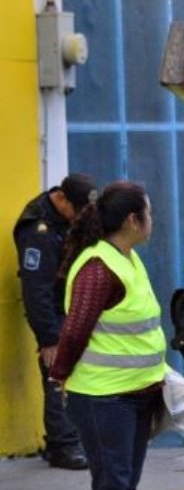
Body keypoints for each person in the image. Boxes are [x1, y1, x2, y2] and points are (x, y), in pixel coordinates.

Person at [48, 182, 165, 490]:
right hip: (103, 399)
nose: (153, 219)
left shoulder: (127, 259)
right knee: (111, 489)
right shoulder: (98, 267)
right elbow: (74, 330)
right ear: (133, 220)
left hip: (134, 396)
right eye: (148, 212)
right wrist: (59, 377)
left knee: (122, 489)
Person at [12, 173, 97, 470]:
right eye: (77, 212)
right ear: (61, 199)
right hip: (52, 314)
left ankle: (68, 438)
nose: (79, 219)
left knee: (70, 375)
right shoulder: (40, 231)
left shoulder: (63, 219)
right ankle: (62, 446)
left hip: (67, 308)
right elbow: (36, 289)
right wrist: (48, 338)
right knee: (57, 374)